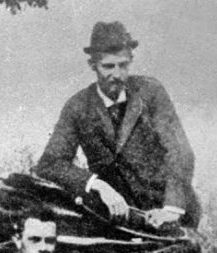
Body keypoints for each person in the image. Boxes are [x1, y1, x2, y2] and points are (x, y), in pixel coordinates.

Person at [35, 21, 198, 230]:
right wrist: (97, 185)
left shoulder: (151, 92)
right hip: (119, 218)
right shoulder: (77, 107)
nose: (117, 74)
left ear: (131, 61)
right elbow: (50, 163)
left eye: (123, 65)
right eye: (108, 66)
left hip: (168, 214)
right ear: (93, 65)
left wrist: (171, 209)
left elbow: (179, 151)